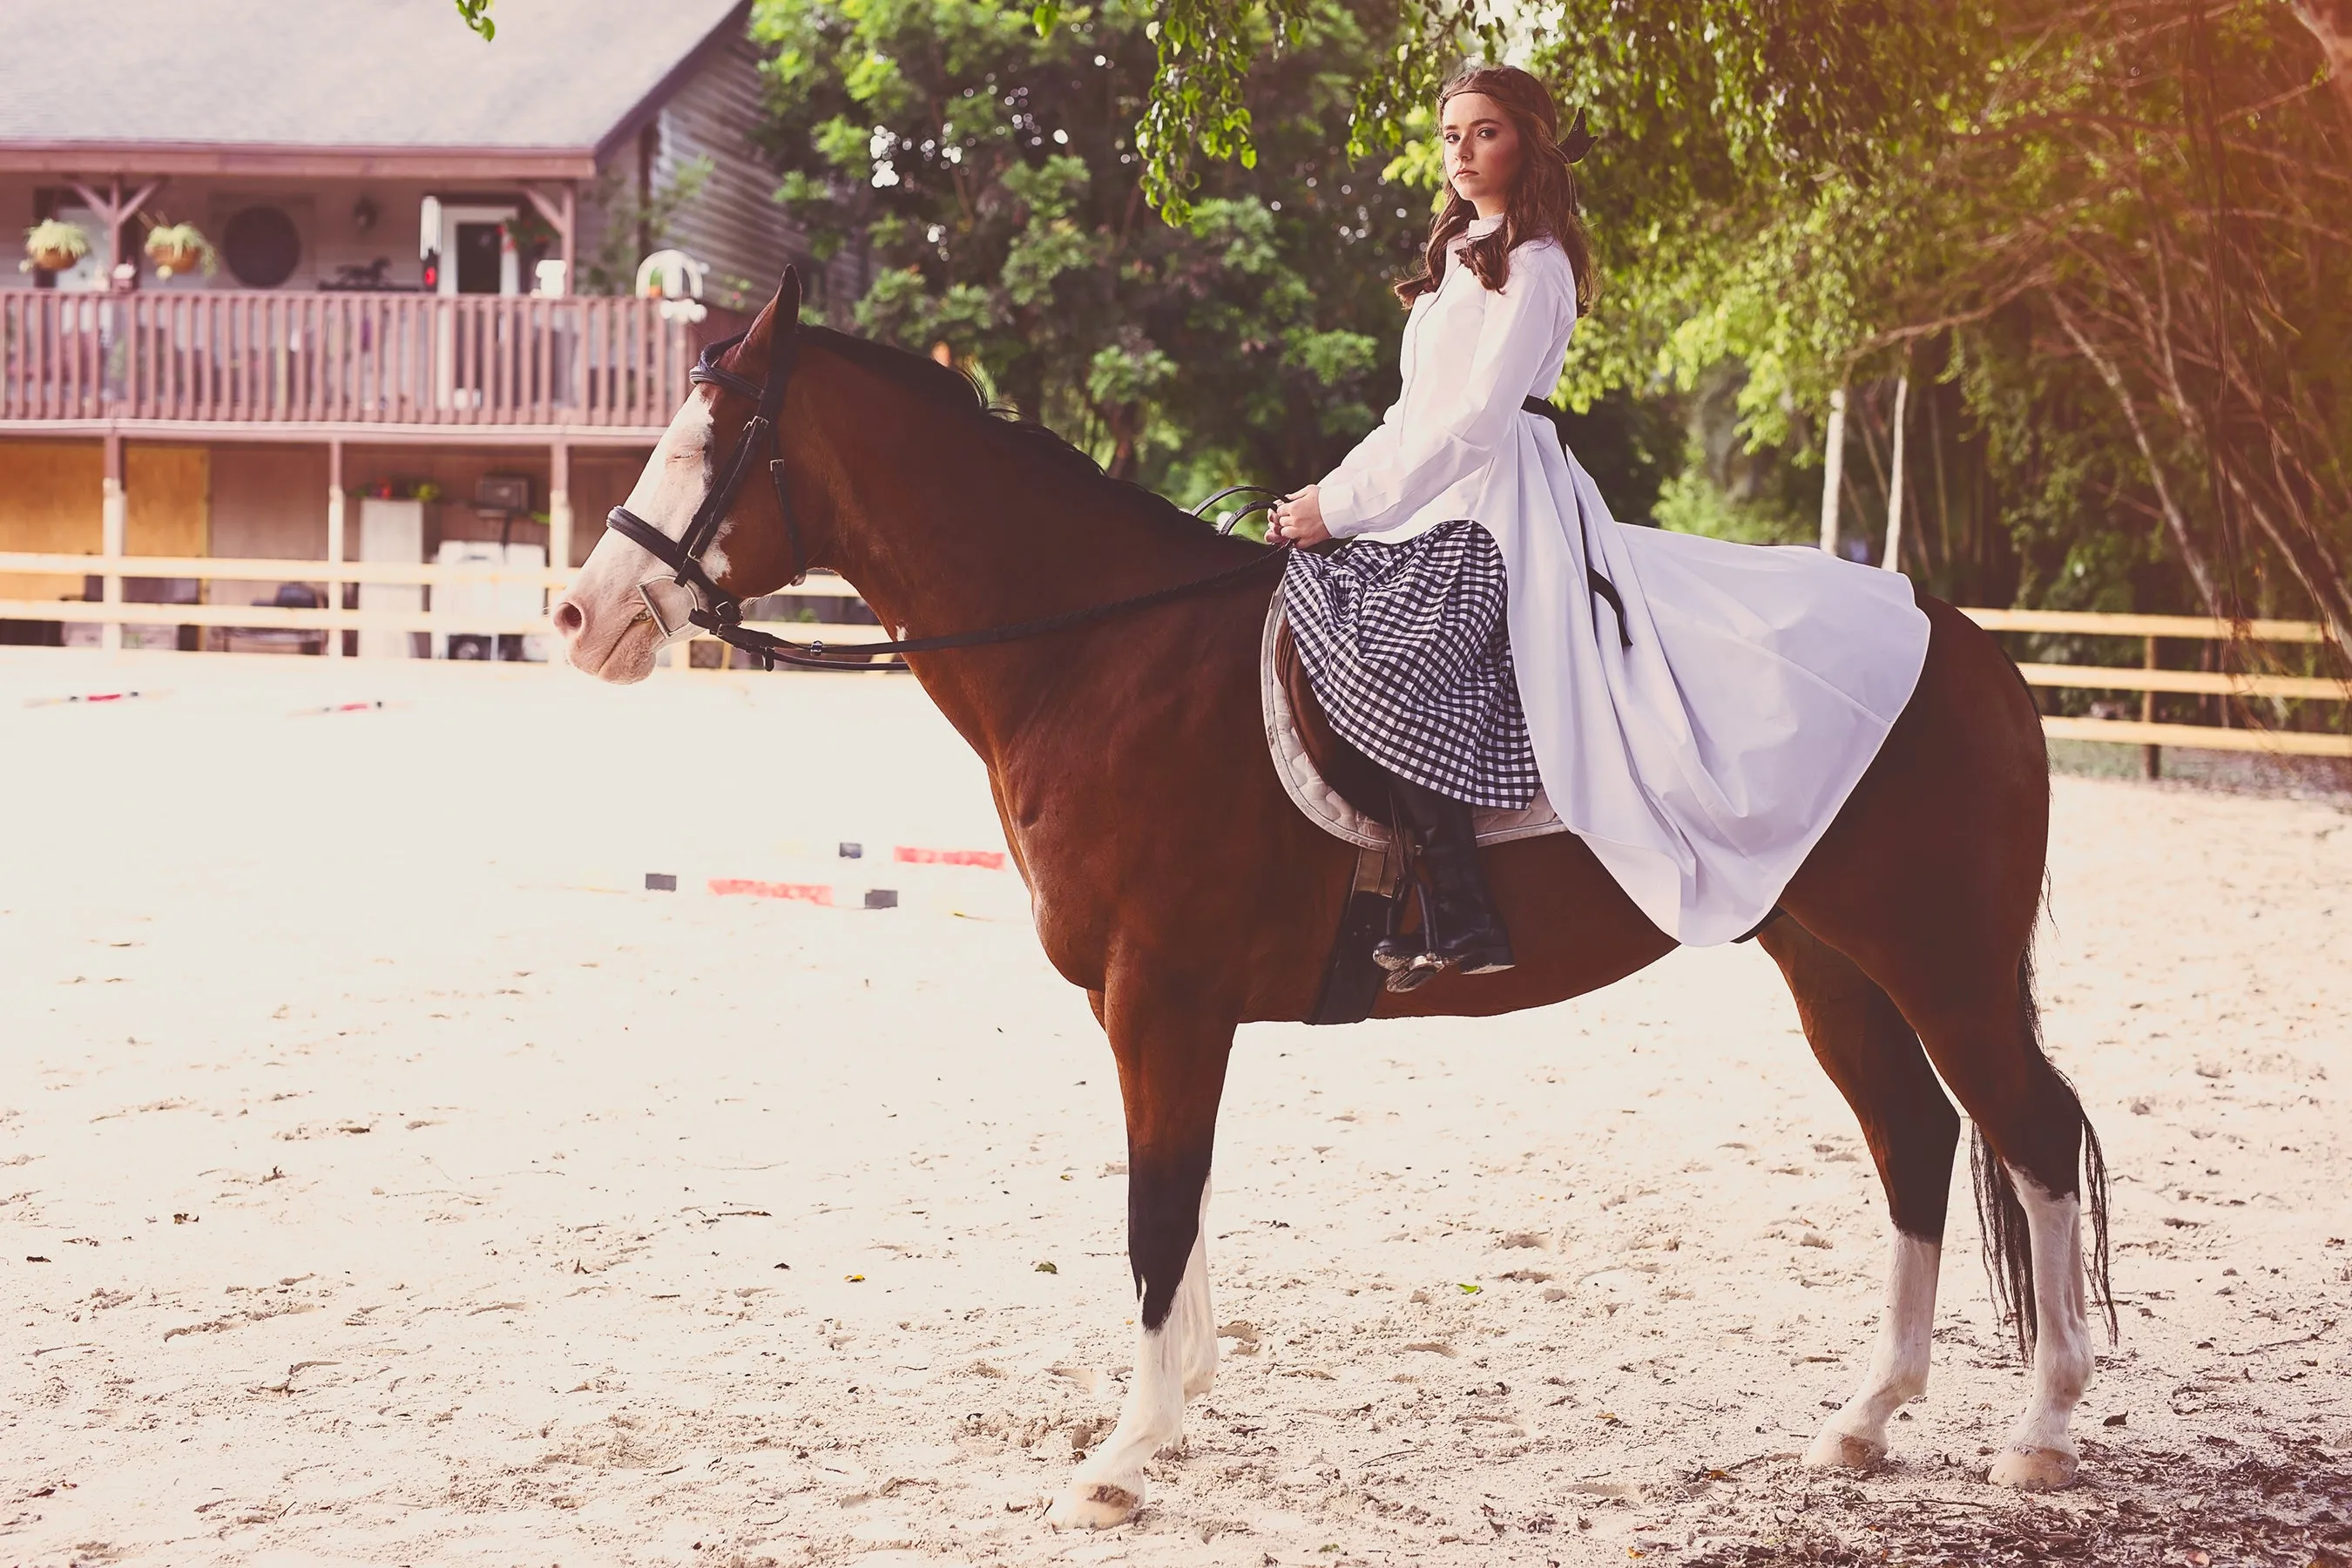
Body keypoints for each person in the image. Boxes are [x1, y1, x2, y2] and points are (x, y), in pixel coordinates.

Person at [1269, 64, 1930, 983]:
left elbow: (1473, 428)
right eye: (1451, 134)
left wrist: (1343, 508)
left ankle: (1463, 912)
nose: (1462, 152)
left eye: (1484, 132)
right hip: (1431, 494)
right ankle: (1387, 886)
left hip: (1500, 504)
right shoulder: (1457, 259)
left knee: (1404, 658)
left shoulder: (1535, 266)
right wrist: (1322, 502)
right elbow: (1408, 419)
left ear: (1526, 143)